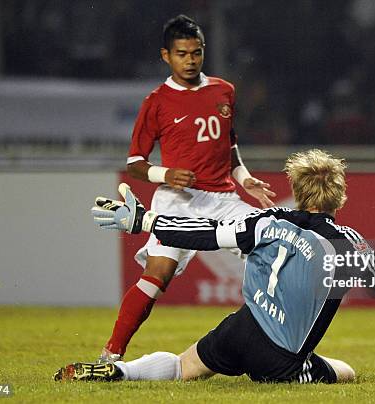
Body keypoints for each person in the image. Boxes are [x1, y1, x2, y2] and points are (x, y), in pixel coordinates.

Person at [54, 149, 375, 384]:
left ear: (295, 188)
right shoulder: (344, 244)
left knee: (182, 366)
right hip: (280, 359)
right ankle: (303, 367)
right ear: (340, 197)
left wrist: (144, 220)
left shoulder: (263, 221)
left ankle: (121, 372)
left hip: (239, 330)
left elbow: (204, 233)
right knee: (346, 372)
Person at [99, 15, 276, 363]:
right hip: (177, 200)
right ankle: (111, 355)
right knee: (157, 274)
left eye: (196, 53)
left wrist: (245, 179)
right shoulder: (157, 101)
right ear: (166, 55)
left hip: (223, 198)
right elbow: (135, 162)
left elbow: (229, 146)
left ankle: (279, 345)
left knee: (272, 247)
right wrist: (165, 174)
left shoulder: (223, 90)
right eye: (182, 53)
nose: (191, 60)